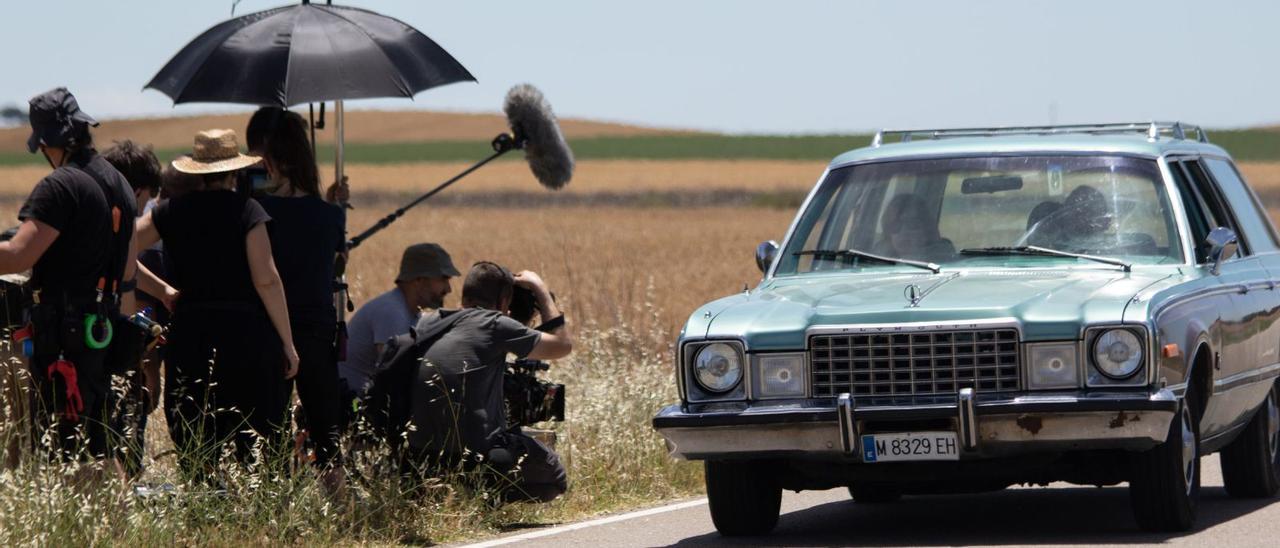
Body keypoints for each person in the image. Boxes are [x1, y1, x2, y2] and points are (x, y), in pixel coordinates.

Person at [133, 129, 299, 480]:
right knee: (254, 435)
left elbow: (121, 250)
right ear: (235, 171)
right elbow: (266, 279)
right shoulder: (248, 210)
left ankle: (206, 505)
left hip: (191, 336)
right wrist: (287, 342)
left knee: (196, 436)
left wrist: (162, 289)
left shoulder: (169, 211)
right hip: (246, 336)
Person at [0, 88, 137, 470]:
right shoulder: (119, 183)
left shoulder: (60, 186)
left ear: (46, 143)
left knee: (57, 446)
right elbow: (128, 270)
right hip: (103, 328)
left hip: (64, 334)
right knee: (96, 437)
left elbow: (18, 255)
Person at [409, 262, 573, 503]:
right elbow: (562, 345)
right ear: (504, 301)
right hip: (477, 457)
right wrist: (540, 289)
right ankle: (483, 499)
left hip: (421, 456)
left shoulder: (430, 322)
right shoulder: (494, 323)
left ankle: (456, 496)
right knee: (555, 478)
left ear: (464, 295)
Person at [247, 107, 348, 488]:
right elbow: (335, 269)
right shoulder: (329, 215)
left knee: (267, 428)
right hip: (319, 329)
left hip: (270, 328)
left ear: (269, 160)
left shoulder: (257, 213)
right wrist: (335, 206)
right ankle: (342, 512)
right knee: (327, 431)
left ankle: (272, 504)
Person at [101, 139, 164, 478]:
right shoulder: (118, 226)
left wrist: (166, 291)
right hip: (113, 344)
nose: (143, 213)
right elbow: (139, 309)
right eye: (145, 202)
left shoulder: (96, 219)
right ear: (137, 191)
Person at [338, 243, 459, 396]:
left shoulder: (408, 311)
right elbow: (395, 377)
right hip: (351, 406)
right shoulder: (392, 313)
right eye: (443, 279)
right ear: (418, 280)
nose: (448, 289)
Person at [873, 193, 955, 263]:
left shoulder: (946, 264)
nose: (904, 232)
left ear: (926, 229)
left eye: (911, 224)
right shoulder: (873, 263)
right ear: (888, 233)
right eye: (896, 226)